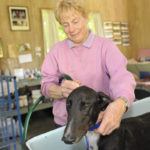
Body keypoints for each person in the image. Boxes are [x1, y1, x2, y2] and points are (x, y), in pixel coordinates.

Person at [41, 0, 136, 136]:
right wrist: (61, 91)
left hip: (98, 121)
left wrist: (121, 103)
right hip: (65, 124)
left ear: (86, 18)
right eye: (65, 25)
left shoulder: (105, 46)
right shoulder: (56, 51)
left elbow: (121, 76)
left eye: (75, 21)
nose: (71, 30)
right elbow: (46, 85)